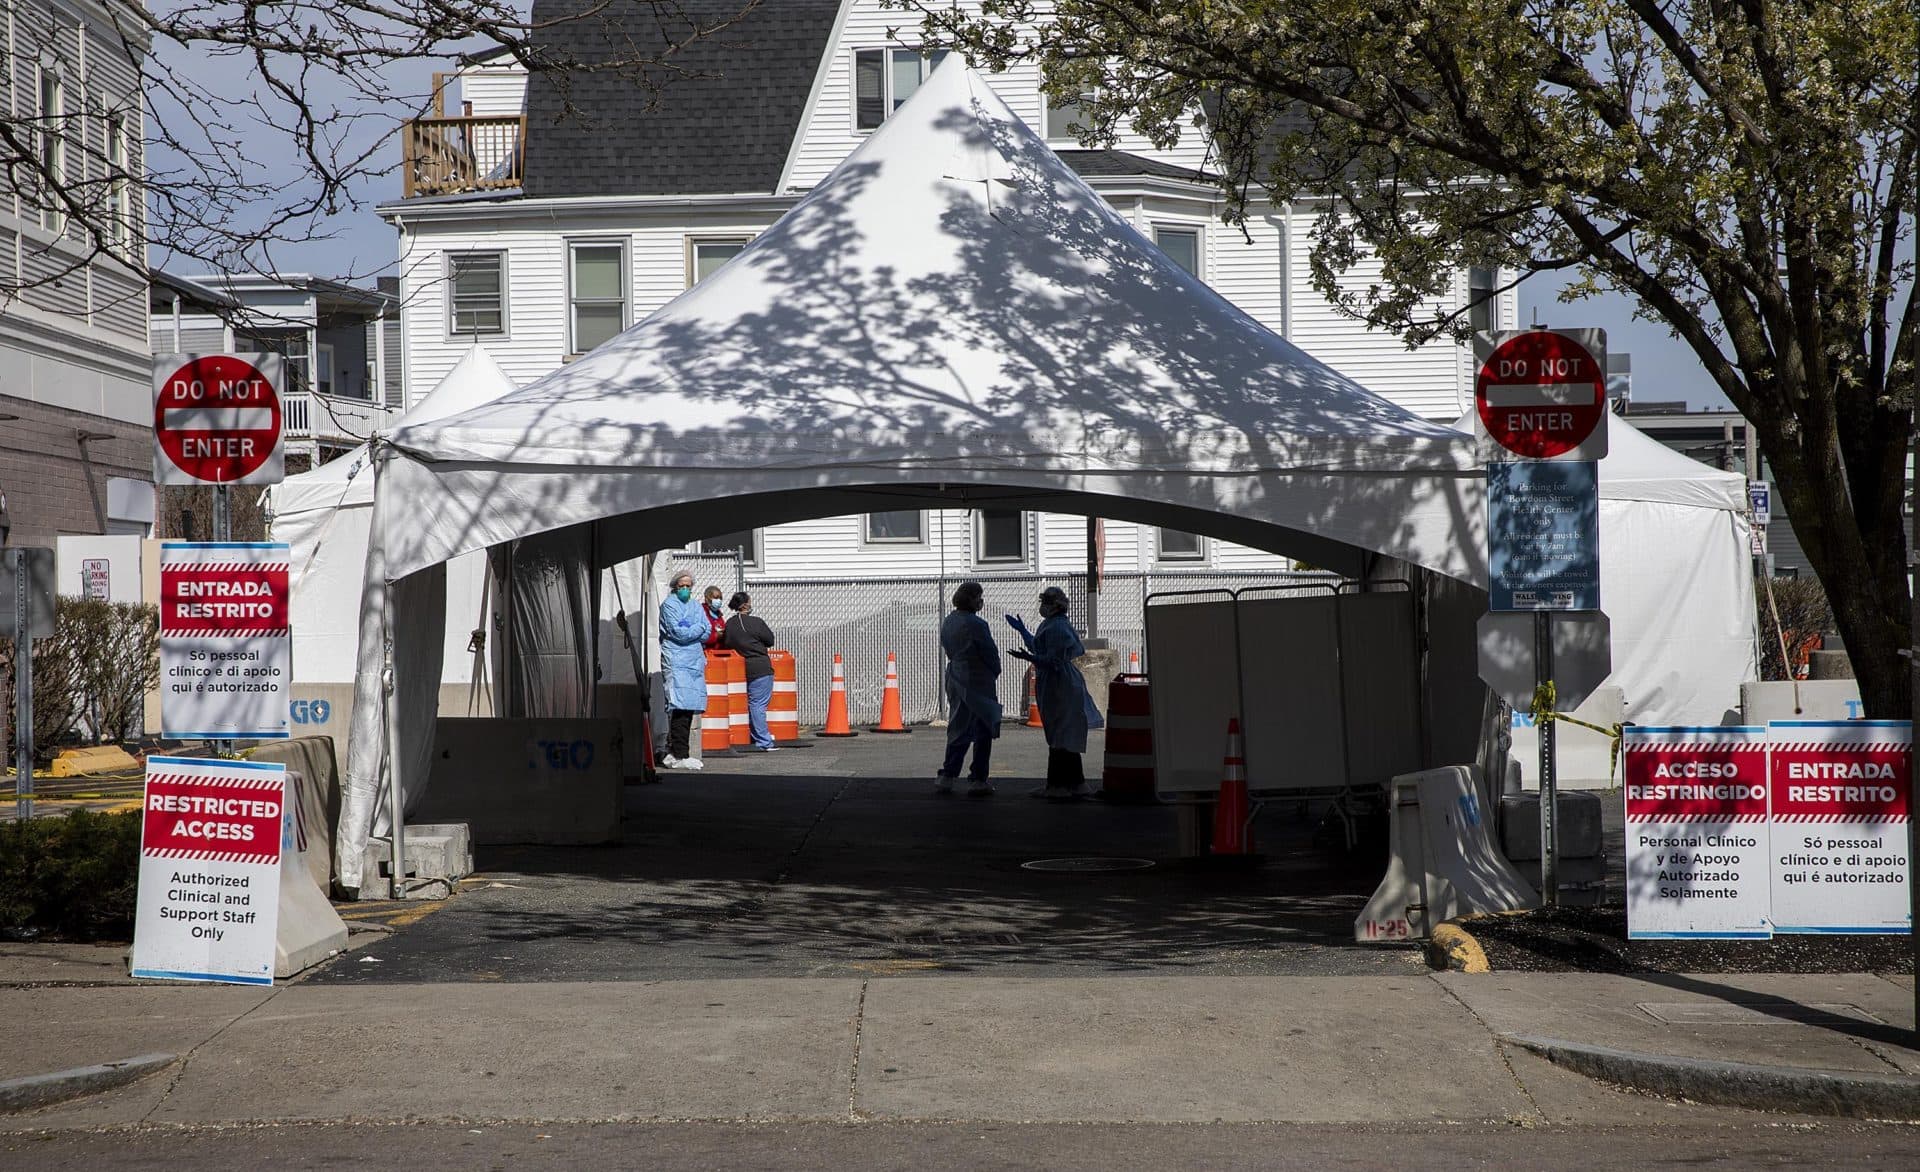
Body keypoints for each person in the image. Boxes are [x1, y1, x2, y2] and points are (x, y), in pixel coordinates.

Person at [1007, 585, 1095, 799]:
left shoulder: (1057, 628)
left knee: (1058, 733)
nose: (1042, 607)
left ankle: (1057, 785)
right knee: (1064, 732)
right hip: (1059, 682)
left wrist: (1029, 659)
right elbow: (1040, 647)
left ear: (1052, 605)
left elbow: (1053, 661)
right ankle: (1076, 782)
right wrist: (1023, 631)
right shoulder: (1054, 624)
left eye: (1044, 603)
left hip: (1058, 684)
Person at [936, 581, 1001, 797]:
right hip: (977, 679)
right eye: (979, 597)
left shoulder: (949, 621)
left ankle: (948, 774)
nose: (981, 601)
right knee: (983, 728)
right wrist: (995, 669)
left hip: (955, 676)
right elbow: (989, 652)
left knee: (958, 726)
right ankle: (978, 778)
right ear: (972, 599)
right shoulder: (977, 624)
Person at [657, 569, 708, 770]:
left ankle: (680, 751)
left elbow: (708, 630)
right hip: (677, 660)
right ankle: (679, 753)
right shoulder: (669, 605)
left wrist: (695, 630)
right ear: (675, 587)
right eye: (682, 586)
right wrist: (698, 629)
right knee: (678, 706)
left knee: (688, 708)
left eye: (688, 586)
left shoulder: (696, 606)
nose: (685, 589)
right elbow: (679, 633)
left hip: (693, 662)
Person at [722, 591, 780, 752]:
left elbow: (726, 642)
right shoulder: (757, 622)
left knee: (743, 704)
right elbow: (770, 640)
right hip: (760, 667)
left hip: (739, 669)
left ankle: (748, 735)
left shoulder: (730, 624)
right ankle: (763, 741)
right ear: (746, 605)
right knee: (758, 704)